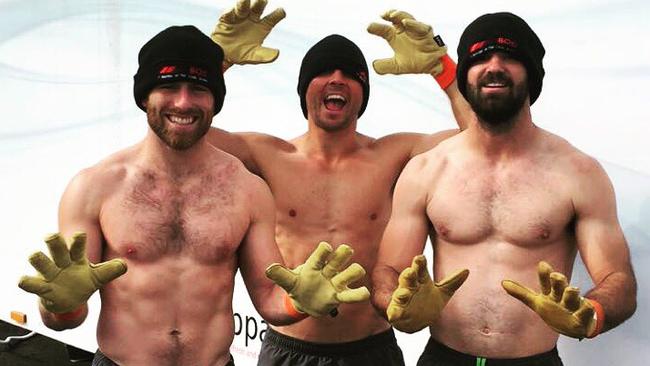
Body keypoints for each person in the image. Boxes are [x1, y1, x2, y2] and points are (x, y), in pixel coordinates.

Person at [17, 25, 369, 366]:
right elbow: (66, 316)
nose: (184, 102)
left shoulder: (247, 190)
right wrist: (59, 306)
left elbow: (269, 297)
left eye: (199, 89)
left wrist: (298, 302)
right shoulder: (95, 188)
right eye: (170, 86)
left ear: (215, 101)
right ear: (144, 96)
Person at [208, 1, 470, 365]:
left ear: (362, 95)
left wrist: (443, 70)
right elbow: (184, 129)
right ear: (304, 90)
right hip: (289, 349)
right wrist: (213, 61)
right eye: (322, 72)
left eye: (349, 74)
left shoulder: (394, 155)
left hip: (371, 349)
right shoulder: (267, 155)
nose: (336, 79)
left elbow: (480, 137)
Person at [372, 12, 638, 365]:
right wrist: (395, 302)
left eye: (510, 56)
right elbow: (387, 269)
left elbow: (618, 279)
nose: (494, 66)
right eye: (480, 57)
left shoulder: (578, 173)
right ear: (465, 76)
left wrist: (593, 313)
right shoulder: (426, 170)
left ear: (532, 75)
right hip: (443, 357)